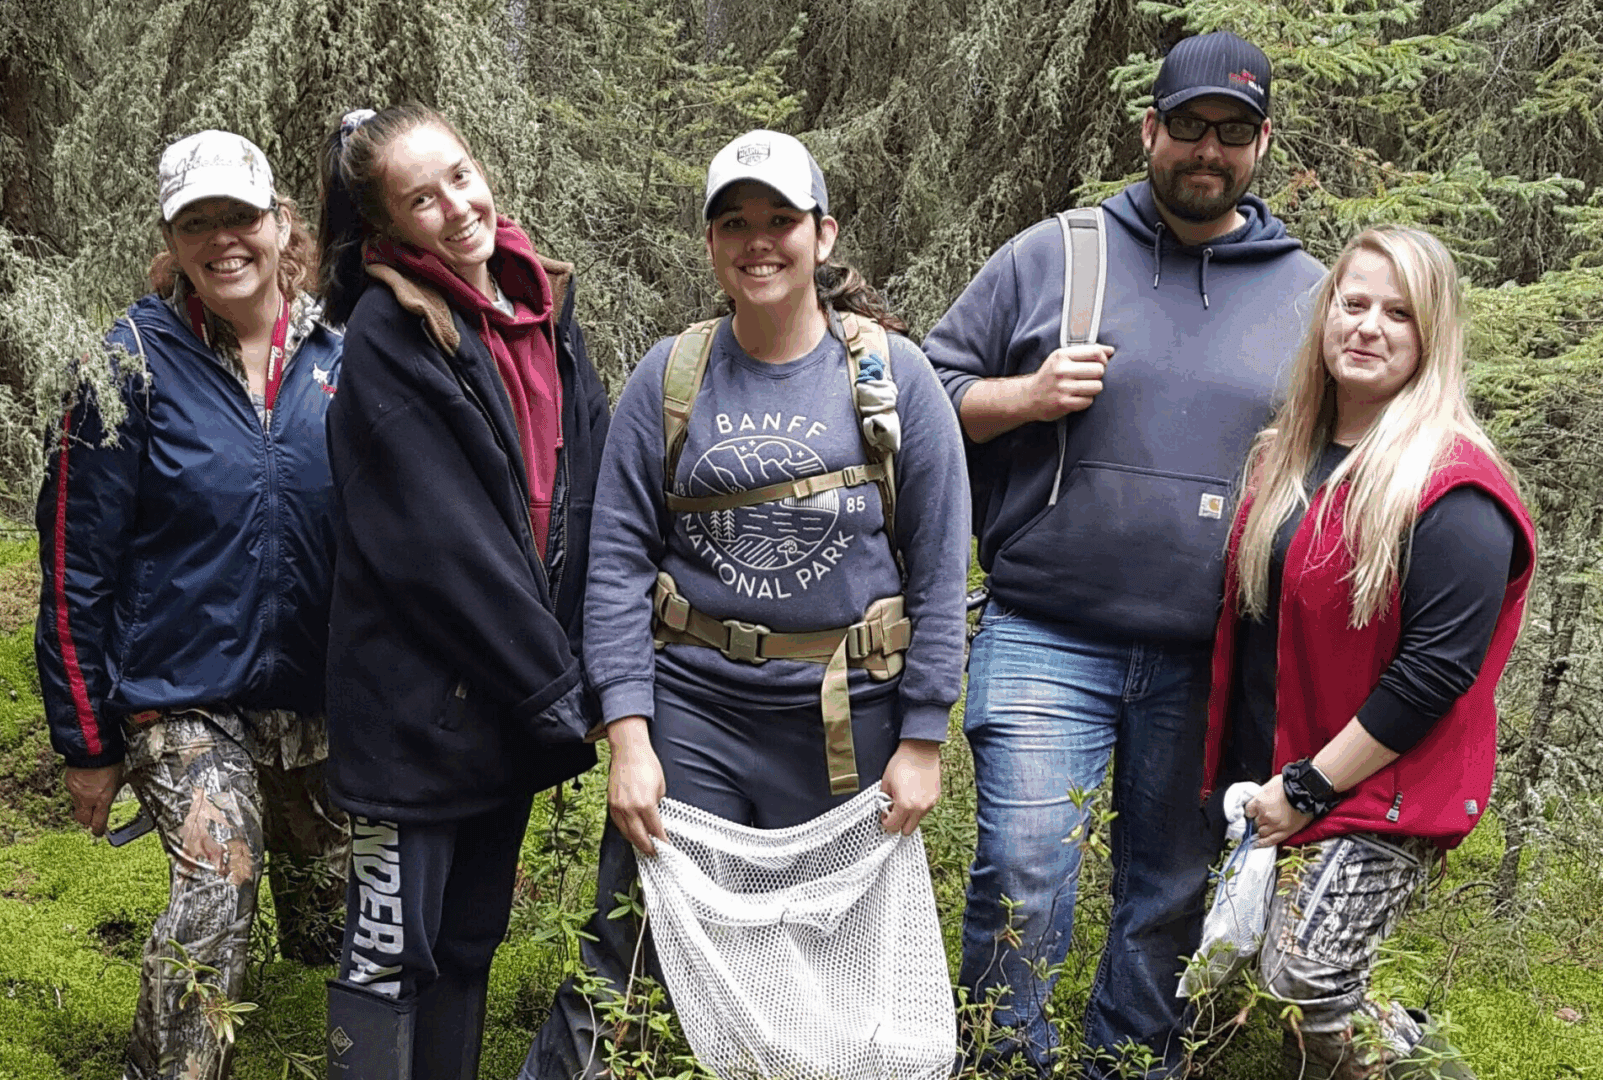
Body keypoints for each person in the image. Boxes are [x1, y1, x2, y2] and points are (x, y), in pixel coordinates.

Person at [521, 129, 970, 1080]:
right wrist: (630, 738)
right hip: (696, 719)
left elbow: (937, 567)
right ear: (711, 242)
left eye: (780, 220)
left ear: (822, 233)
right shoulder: (670, 377)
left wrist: (923, 739)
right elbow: (616, 566)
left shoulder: (894, 378)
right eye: (734, 223)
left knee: (832, 970)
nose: (758, 241)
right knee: (627, 949)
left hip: (846, 723)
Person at [924, 30, 1329, 1078]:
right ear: (1148, 129)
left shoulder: (1309, 294)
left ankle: (1129, 1063)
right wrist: (1024, 396)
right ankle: (1002, 1061)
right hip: (1045, 630)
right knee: (1023, 871)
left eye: (1232, 131)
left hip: (1211, 653)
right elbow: (925, 397)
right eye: (1188, 125)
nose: (1208, 149)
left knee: (1167, 892)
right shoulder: (1056, 254)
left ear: (1261, 145)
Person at [35, 129, 348, 1080]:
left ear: (280, 222)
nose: (223, 240)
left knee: (336, 920)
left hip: (318, 691)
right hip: (180, 693)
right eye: (196, 223)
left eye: (239, 216)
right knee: (221, 879)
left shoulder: (343, 350)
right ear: (172, 241)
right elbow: (73, 565)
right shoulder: (125, 365)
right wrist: (86, 743)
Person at [316, 103, 608, 1080]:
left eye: (460, 175)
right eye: (421, 199)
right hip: (411, 721)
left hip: (503, 709)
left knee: (469, 943)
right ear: (386, 227)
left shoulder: (542, 310)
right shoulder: (388, 337)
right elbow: (445, 550)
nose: (456, 206)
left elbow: (588, 490)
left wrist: (589, 662)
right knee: (387, 959)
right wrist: (560, 689)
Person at [1203, 226, 1535, 1080]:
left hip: (1384, 784)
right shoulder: (1285, 457)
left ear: (1432, 336)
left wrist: (1307, 788)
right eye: (1352, 304)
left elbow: (1434, 672)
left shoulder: (1455, 487)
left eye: (1398, 313)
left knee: (1303, 973)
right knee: (1278, 982)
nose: (1367, 327)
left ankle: (1424, 1067)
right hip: (1280, 764)